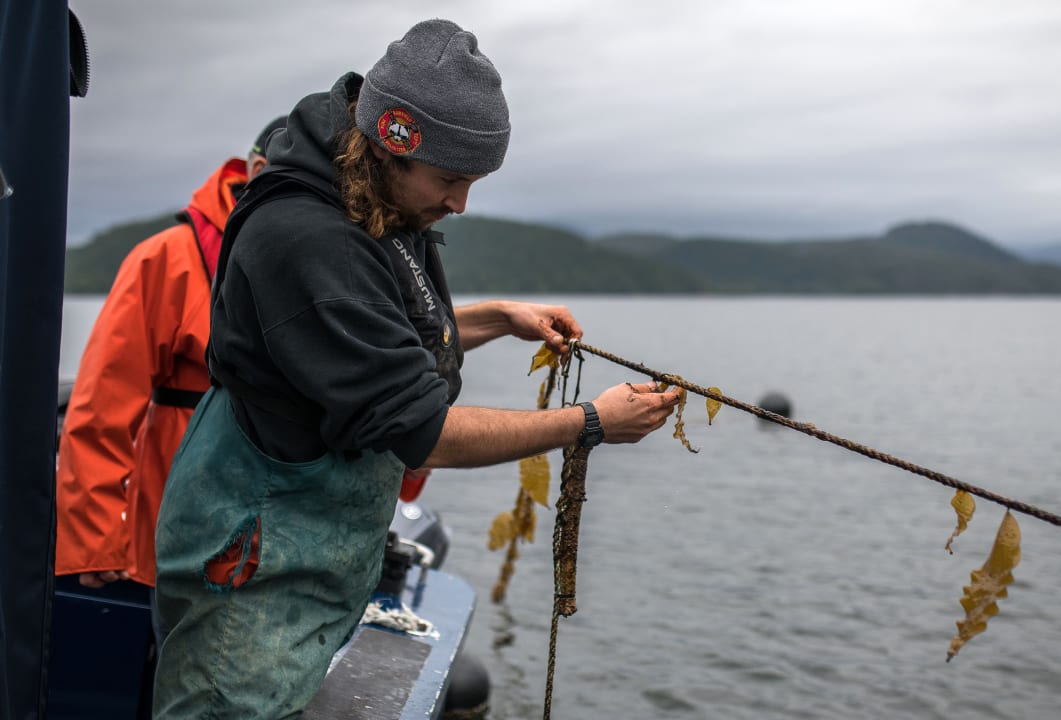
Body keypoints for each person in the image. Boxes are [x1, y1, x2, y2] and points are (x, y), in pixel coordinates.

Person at [151, 19, 679, 719]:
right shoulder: (307, 240)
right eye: (451, 179)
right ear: (392, 140)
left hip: (300, 554)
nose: (460, 204)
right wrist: (589, 422)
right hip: (254, 559)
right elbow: (421, 431)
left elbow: (376, 339)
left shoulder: (372, 199)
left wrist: (497, 316)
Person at [56, 116, 286, 601]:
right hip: (176, 539)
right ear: (260, 169)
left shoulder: (326, 265)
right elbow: (102, 411)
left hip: (284, 546)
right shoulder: (166, 258)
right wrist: (98, 541)